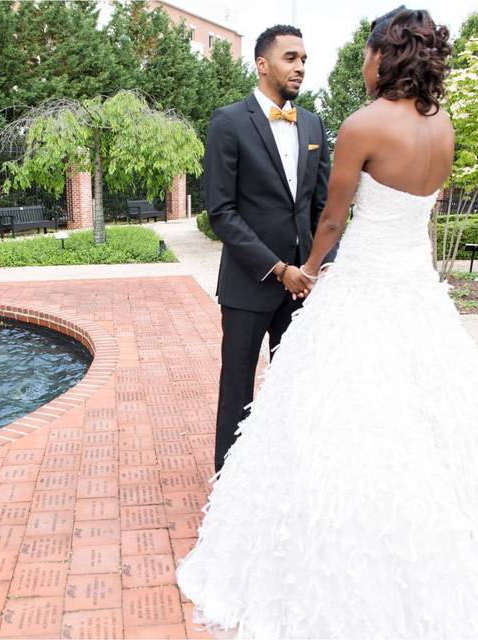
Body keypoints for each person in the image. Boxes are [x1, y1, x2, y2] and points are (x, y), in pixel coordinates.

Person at [176, 7, 478, 639]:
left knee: (340, 415)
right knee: (428, 416)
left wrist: (310, 268)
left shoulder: (359, 123)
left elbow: (334, 217)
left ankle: (338, 536)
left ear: (383, 56)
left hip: (359, 292)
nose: (358, 64)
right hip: (412, 292)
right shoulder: (444, 126)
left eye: (368, 53)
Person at [205, 24, 336, 474]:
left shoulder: (315, 125)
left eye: (303, 59)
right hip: (249, 285)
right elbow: (221, 212)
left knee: (294, 386)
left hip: (303, 288)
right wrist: (279, 268)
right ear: (262, 64)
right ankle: (229, 481)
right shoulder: (228, 122)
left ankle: (283, 476)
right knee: (237, 387)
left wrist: (320, 269)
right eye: (290, 58)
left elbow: (322, 209)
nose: (300, 67)